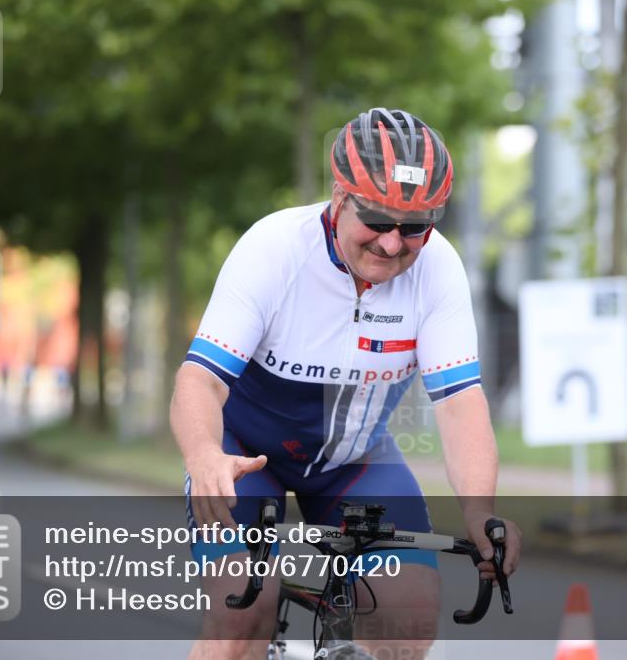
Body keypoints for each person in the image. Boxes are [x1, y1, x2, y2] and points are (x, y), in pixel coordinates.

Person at [171, 107, 520, 659]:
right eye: (377, 220)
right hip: (244, 458)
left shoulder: (438, 270)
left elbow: (459, 404)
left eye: (414, 227)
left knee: (407, 619)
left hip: (353, 463)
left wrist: (480, 513)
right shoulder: (275, 248)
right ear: (339, 197)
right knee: (242, 612)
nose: (391, 243)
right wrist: (203, 456)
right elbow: (200, 379)